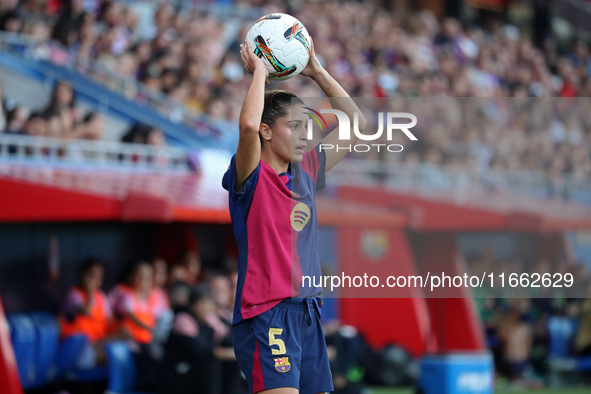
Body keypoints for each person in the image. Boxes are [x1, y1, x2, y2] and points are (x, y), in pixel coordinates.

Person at [222, 37, 366, 394]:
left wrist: (317, 71)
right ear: (267, 132)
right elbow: (247, 127)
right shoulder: (251, 175)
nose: (306, 136)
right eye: (295, 127)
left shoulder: (308, 170)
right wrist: (260, 72)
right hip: (266, 313)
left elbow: (357, 123)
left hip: (307, 314)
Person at [59, 258, 125, 368]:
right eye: (91, 275)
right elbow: (86, 311)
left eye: (99, 276)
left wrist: (121, 329)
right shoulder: (73, 294)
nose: (95, 279)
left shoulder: (101, 296)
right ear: (83, 275)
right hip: (79, 347)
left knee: (123, 342)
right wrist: (89, 292)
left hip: (98, 343)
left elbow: (109, 320)